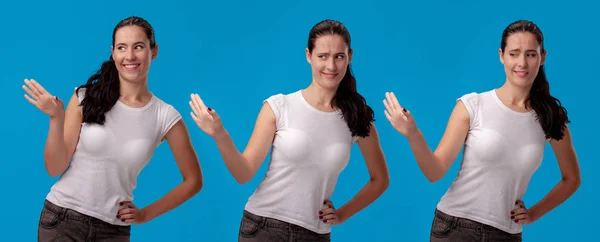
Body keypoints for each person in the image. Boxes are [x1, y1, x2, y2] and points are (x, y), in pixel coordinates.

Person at [189, 19, 389, 241]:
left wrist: (342, 214)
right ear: (308, 55)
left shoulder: (357, 120)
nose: (331, 66)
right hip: (263, 227)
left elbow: (380, 180)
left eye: (338, 57)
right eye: (322, 56)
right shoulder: (279, 107)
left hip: (315, 234)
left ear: (349, 56)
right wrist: (220, 134)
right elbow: (244, 173)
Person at [383, 19, 581, 241]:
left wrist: (534, 213)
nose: (522, 63)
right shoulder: (472, 106)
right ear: (501, 56)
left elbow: (571, 179)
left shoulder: (550, 119)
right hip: (455, 228)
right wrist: (413, 134)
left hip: (507, 234)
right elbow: (435, 171)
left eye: (530, 54)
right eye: (514, 53)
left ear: (542, 57)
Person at [23, 16, 203, 242]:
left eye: (138, 47)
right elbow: (54, 167)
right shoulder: (85, 97)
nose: (129, 56)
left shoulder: (165, 116)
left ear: (153, 51)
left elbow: (194, 180)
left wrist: (144, 214)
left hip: (113, 231)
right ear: (113, 52)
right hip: (62, 219)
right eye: (121, 48)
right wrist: (56, 118)